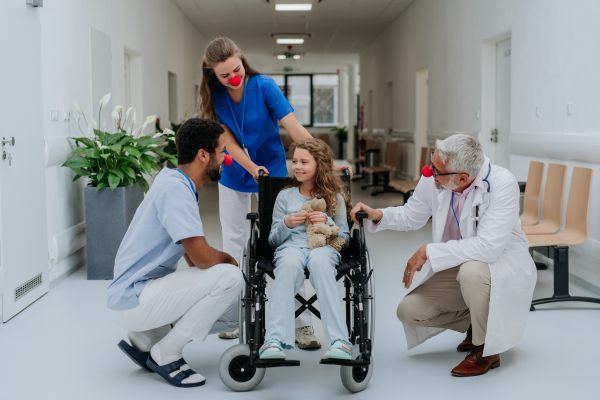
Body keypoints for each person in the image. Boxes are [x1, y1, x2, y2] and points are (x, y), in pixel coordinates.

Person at [199, 37, 352, 348]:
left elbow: (294, 128)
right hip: (235, 173)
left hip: (275, 172)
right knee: (235, 245)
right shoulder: (214, 97)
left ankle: (302, 325)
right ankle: (236, 317)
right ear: (213, 74)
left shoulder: (264, 86)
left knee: (293, 242)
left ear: (242, 61)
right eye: (225, 75)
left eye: (236, 69)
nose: (233, 78)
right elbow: (226, 140)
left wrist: (324, 161)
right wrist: (250, 167)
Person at [350, 134, 537, 377]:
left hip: (496, 265)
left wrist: (429, 251)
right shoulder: (438, 178)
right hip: (458, 265)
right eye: (432, 162)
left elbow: (488, 248)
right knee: (409, 312)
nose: (429, 172)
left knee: (472, 272)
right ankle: (477, 323)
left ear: (462, 178)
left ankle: (486, 350)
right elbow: (412, 215)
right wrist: (378, 214)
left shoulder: (502, 183)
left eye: (436, 170)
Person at [106, 118, 243, 388]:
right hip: (136, 297)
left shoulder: (173, 180)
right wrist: (229, 261)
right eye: (222, 152)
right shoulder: (176, 190)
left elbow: (191, 256)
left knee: (234, 312)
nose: (225, 158)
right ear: (203, 155)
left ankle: (146, 337)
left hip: (136, 295)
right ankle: (166, 352)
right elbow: (203, 258)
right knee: (231, 278)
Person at [258, 138, 353, 360]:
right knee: (288, 265)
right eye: (294, 161)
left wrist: (328, 222)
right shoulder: (284, 196)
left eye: (304, 162)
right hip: (290, 247)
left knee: (320, 263)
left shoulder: (335, 197)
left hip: (323, 248)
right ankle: (274, 340)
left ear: (319, 165)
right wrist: (286, 224)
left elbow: (345, 239)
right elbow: (272, 240)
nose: (297, 166)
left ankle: (340, 341)